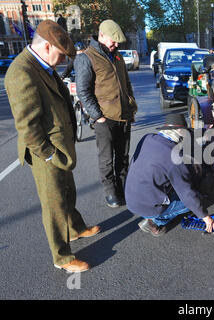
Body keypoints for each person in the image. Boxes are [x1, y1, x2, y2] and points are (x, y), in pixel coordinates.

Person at [5, 20, 100, 273]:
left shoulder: (41, 64)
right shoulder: (21, 72)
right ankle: (62, 258)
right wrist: (47, 155)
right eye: (60, 55)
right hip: (46, 151)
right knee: (54, 203)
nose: (62, 61)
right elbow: (27, 125)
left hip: (59, 147)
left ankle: (75, 229)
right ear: (47, 46)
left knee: (67, 192)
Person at [74, 20, 138, 208]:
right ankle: (110, 191)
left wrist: (131, 107)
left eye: (118, 42)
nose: (116, 45)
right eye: (114, 41)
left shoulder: (116, 56)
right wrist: (98, 116)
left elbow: (126, 84)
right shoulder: (86, 57)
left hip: (123, 115)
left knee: (123, 156)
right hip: (105, 118)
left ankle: (123, 188)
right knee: (106, 158)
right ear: (102, 35)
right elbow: (83, 91)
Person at [124, 114, 214, 236]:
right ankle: (156, 221)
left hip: (131, 197)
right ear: (179, 131)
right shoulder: (174, 158)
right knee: (196, 199)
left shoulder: (147, 138)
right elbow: (186, 193)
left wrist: (204, 131)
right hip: (148, 206)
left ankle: (154, 213)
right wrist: (204, 216)